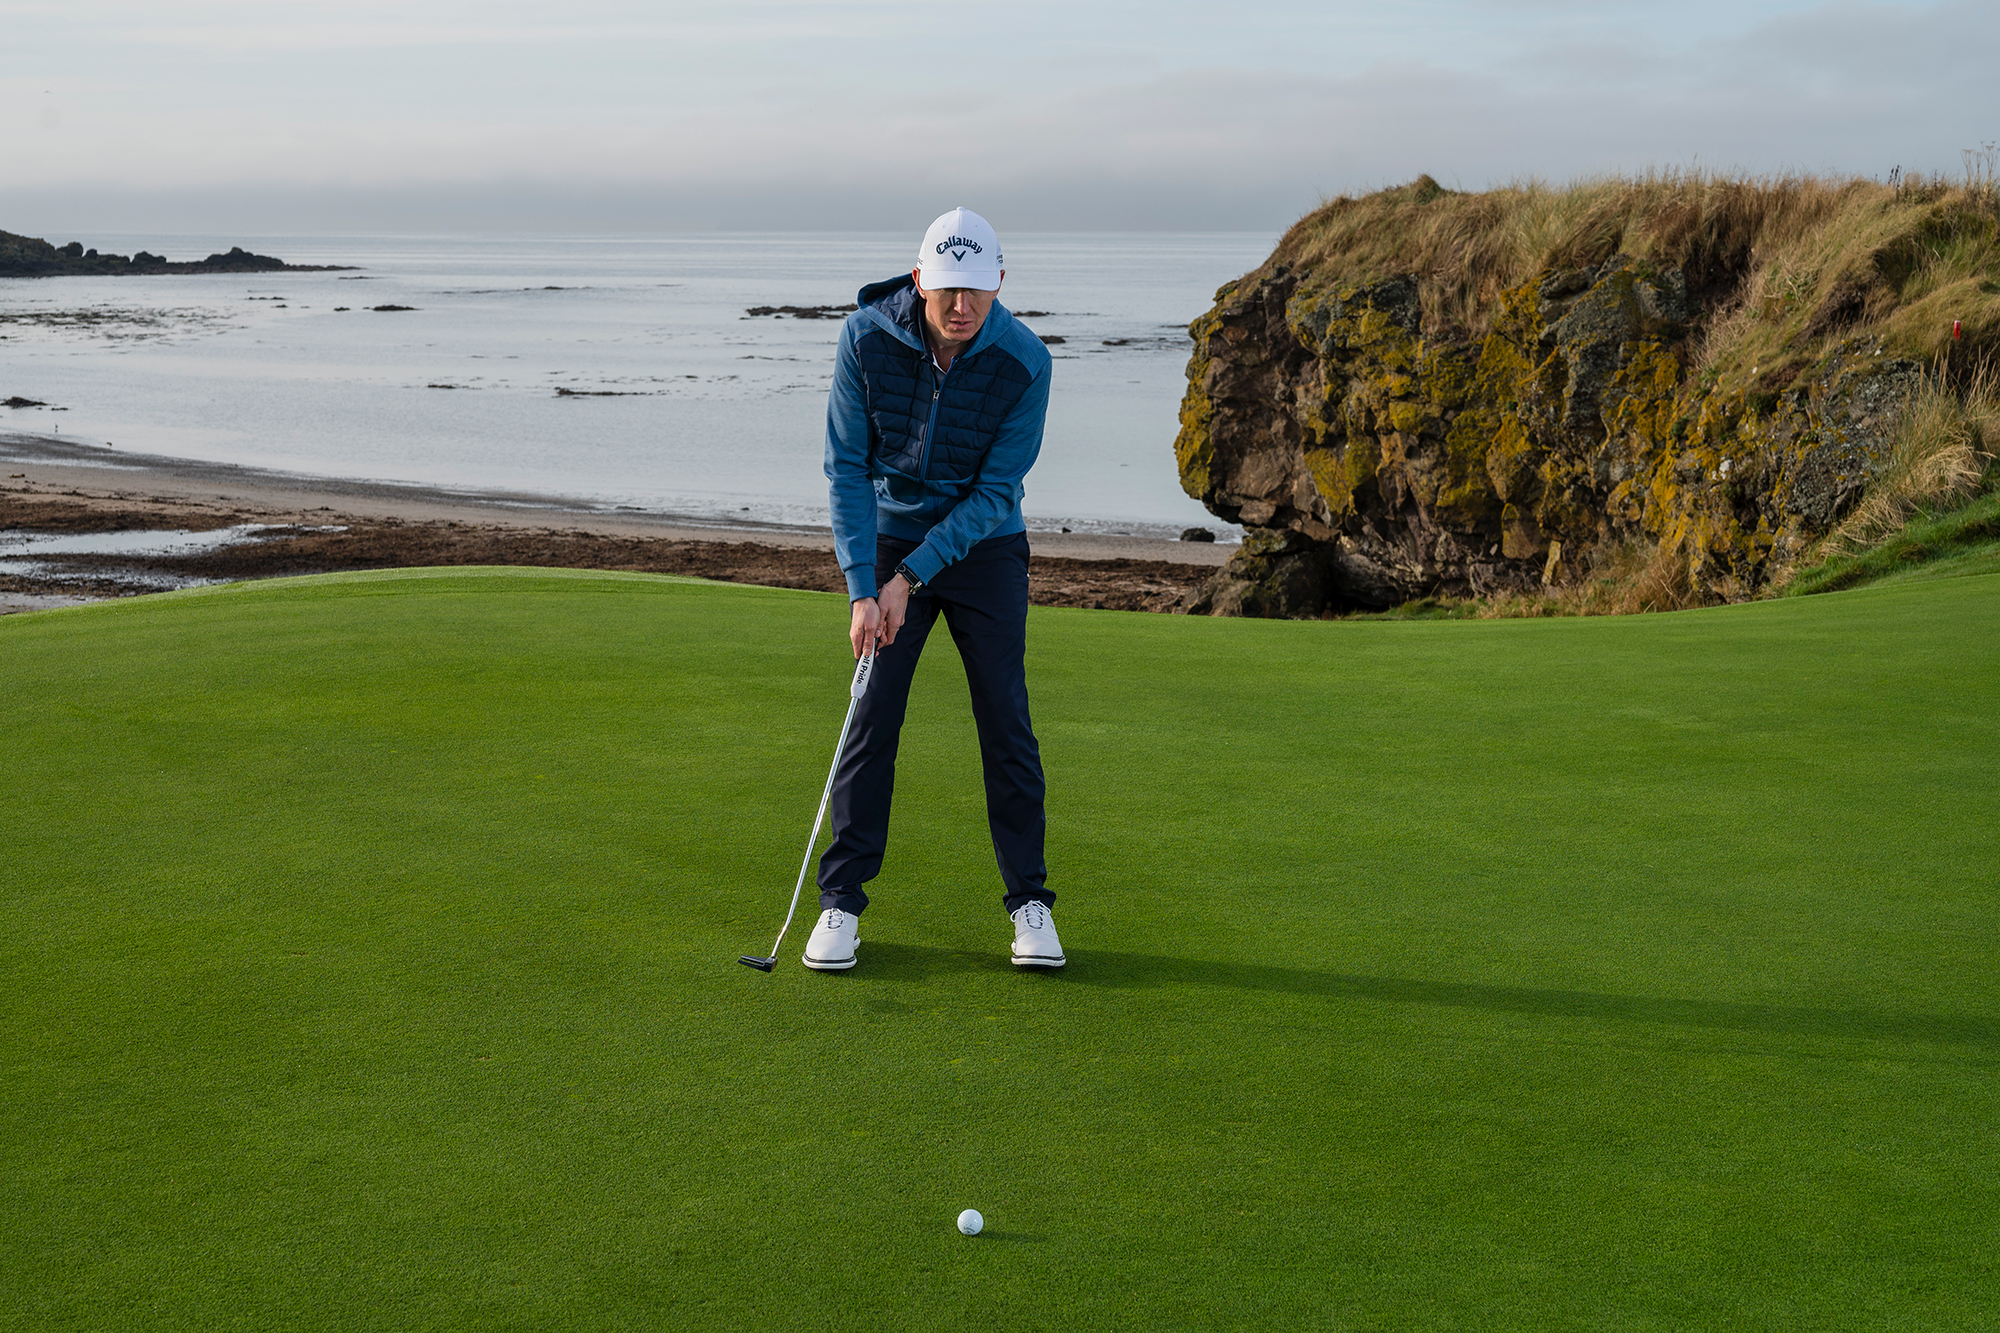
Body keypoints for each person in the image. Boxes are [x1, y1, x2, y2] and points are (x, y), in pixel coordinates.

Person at [802, 206, 1062, 972]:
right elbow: (846, 466)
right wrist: (864, 587)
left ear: (998, 284)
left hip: (984, 546)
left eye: (975, 290)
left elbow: (994, 492)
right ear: (920, 279)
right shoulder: (865, 338)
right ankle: (841, 903)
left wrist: (911, 578)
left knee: (1005, 721)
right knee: (870, 718)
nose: (960, 306)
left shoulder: (1026, 363)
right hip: (886, 539)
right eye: (946, 287)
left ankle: (1030, 904)